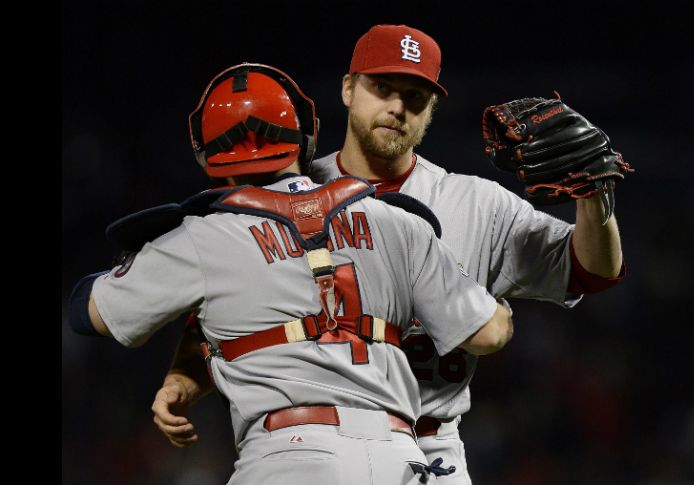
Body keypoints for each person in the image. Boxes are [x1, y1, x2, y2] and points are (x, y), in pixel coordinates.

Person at [153, 24, 626, 484]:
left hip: (429, 451)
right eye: (381, 87)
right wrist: (184, 376)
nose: (397, 107)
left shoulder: (476, 204)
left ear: (432, 109)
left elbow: (592, 271)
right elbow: (221, 305)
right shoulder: (280, 194)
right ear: (348, 89)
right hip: (306, 449)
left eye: (415, 96)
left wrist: (593, 198)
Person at [68, 62, 514, 485]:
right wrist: (501, 309)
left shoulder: (202, 236)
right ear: (307, 136)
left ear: (207, 156)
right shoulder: (397, 220)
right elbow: (488, 335)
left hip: (290, 456)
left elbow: (90, 313)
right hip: (400, 457)